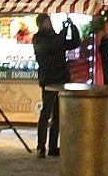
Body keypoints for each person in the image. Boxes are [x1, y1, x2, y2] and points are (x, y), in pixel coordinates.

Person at [31, 13, 80, 158]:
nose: (50, 23)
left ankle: (53, 146)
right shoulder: (39, 39)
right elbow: (51, 47)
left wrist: (72, 27)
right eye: (47, 21)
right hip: (49, 79)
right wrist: (64, 31)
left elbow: (74, 43)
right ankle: (41, 146)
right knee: (46, 112)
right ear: (41, 24)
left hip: (61, 78)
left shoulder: (55, 37)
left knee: (58, 114)